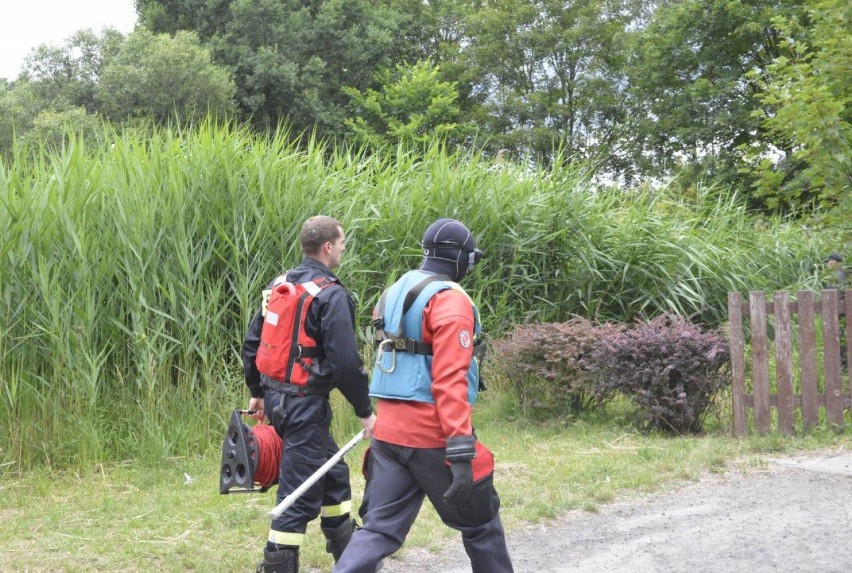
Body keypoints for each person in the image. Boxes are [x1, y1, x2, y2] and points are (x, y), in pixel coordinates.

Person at [334, 218, 513, 573]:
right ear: (462, 258)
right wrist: (460, 446)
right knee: (482, 526)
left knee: (378, 531)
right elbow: (449, 379)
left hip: (387, 434)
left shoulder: (395, 291)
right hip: (433, 436)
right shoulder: (450, 301)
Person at [242, 216, 376, 573]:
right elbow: (346, 362)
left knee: (333, 475)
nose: (343, 249)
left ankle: (349, 554)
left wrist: (257, 392)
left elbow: (254, 341)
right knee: (298, 496)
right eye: (342, 243)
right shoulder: (332, 294)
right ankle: (277, 565)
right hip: (304, 405)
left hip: (277, 400)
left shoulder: (280, 284)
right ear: (328, 247)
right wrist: (365, 411)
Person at [823, 253, 847, 367]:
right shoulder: (840, 274)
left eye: (828, 261)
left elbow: (837, 294)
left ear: (834, 262)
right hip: (840, 312)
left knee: (840, 335)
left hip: (840, 312)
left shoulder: (838, 275)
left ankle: (842, 362)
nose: (827, 264)